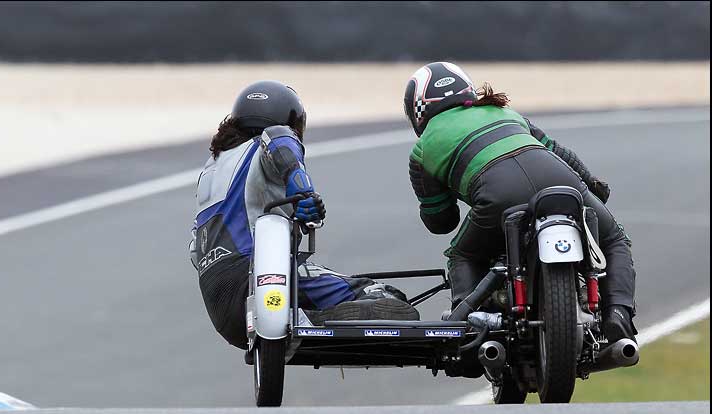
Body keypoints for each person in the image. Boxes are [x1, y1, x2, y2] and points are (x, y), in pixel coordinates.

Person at [402, 62, 637, 343]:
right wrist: (594, 186)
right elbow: (562, 154)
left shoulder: (423, 148)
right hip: (561, 180)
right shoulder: (503, 111)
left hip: (498, 197)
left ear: (418, 109)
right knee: (614, 240)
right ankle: (619, 315)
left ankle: (466, 328)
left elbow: (441, 222)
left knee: (462, 255)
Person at [190, 80, 418, 350]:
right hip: (256, 274)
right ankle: (320, 320)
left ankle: (298, 317)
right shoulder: (269, 139)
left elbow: (194, 251)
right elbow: (280, 144)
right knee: (384, 297)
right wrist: (303, 192)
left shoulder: (210, 171)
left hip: (219, 305)